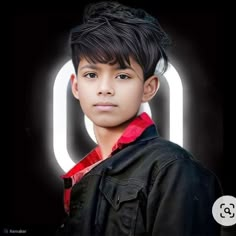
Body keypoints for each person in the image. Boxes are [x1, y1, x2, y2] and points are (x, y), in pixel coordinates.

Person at [56, 1, 222, 235]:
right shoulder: (83, 174)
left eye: (122, 76)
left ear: (149, 88)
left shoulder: (174, 170)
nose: (105, 88)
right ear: (75, 86)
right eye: (91, 74)